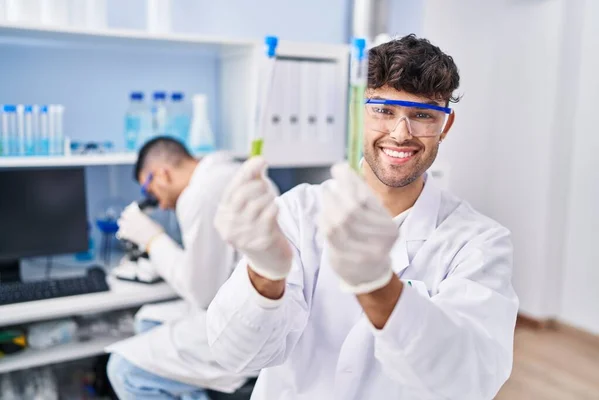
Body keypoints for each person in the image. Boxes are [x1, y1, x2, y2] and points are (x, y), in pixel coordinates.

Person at [207, 35, 519, 400]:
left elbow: (467, 382)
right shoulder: (297, 213)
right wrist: (264, 274)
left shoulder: (479, 242)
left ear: (445, 127)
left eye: (422, 115)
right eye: (384, 110)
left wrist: (379, 286)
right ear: (357, 113)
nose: (401, 134)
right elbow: (235, 356)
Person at [106, 137, 254, 399]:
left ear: (161, 173)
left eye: (150, 192)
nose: (160, 204)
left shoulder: (200, 195)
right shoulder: (224, 173)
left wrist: (153, 240)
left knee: (123, 371)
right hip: (244, 306)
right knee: (147, 320)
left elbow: (202, 293)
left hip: (245, 328)